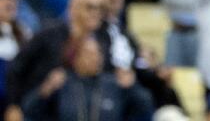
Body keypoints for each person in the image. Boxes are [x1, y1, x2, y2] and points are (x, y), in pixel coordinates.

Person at [21, 36, 153, 121]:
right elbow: (29, 109)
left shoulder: (113, 82)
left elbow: (146, 107)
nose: (95, 58)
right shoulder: (62, 81)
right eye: (89, 54)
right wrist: (46, 89)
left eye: (98, 54)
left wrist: (133, 87)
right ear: (75, 58)